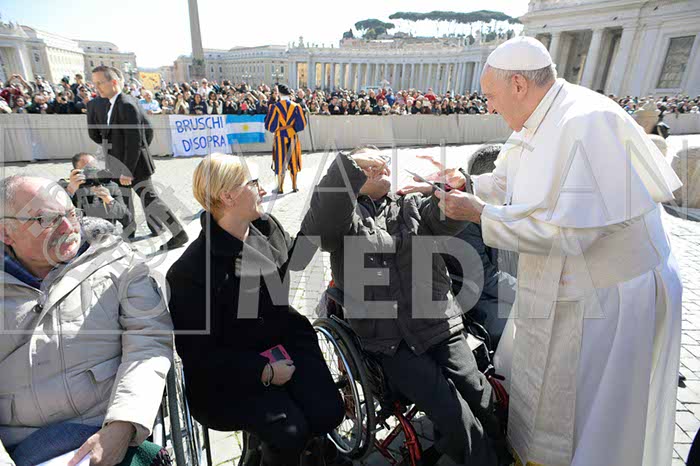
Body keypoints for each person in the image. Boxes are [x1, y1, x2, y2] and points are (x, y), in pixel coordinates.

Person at [435, 36, 683, 466]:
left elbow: (570, 233)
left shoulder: (586, 121)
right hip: (567, 285)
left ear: (518, 85)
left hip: (613, 295)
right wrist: (466, 183)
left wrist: (479, 213)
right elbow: (511, 183)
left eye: (491, 95)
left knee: (595, 420)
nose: (489, 106)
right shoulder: (541, 116)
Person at [300, 147, 509, 466]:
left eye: (381, 162)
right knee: (451, 411)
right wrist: (348, 169)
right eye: (367, 166)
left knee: (478, 393)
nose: (379, 168)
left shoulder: (409, 204)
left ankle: (500, 451)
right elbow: (320, 229)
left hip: (439, 323)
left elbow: (447, 219)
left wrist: (453, 189)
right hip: (390, 341)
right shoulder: (345, 220)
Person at [166, 154, 346, 466]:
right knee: (289, 432)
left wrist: (338, 186)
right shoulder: (190, 272)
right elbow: (199, 355)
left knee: (329, 412)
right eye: (253, 182)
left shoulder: (266, 226)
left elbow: (297, 259)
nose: (263, 189)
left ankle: (310, 449)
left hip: (284, 343)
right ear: (228, 196)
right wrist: (262, 371)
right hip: (229, 373)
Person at [0, 175, 173, 466]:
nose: (69, 228)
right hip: (22, 447)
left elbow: (149, 342)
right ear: (6, 232)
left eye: (71, 214)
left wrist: (122, 426)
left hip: (107, 428)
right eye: (47, 219)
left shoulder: (119, 262)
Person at [399, 146, 517, 347]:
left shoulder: (501, 207)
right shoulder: (463, 215)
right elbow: (485, 278)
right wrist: (530, 292)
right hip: (477, 303)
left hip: (500, 289)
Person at [87, 65, 188, 250]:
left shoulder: (126, 104)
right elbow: (100, 134)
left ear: (114, 82)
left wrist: (127, 169)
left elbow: (136, 139)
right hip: (120, 163)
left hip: (134, 166)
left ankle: (178, 233)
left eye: (100, 83)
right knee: (133, 199)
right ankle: (133, 232)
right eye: (94, 83)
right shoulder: (106, 104)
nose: (96, 87)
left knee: (151, 200)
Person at [58, 152, 131, 232]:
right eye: (87, 171)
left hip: (105, 236)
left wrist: (110, 200)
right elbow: (56, 217)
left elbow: (128, 220)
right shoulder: (65, 186)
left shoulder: (110, 186)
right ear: (75, 172)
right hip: (78, 235)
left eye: (95, 169)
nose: (92, 175)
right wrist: (70, 191)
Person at [264, 84, 307, 194]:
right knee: (294, 159)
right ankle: (294, 186)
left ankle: (280, 187)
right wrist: (292, 128)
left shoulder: (274, 107)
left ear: (279, 93)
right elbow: (301, 124)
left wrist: (277, 128)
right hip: (292, 134)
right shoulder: (296, 106)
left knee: (280, 160)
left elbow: (270, 126)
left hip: (280, 136)